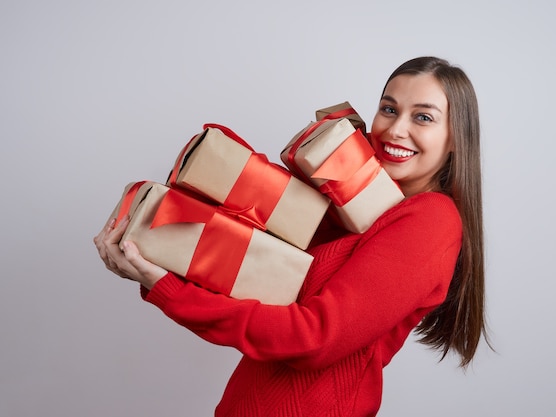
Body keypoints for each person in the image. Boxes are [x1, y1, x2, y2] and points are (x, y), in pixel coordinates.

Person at [94, 56, 489, 416]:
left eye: (423, 117)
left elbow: (313, 337)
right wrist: (151, 261)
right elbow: (251, 285)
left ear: (456, 137)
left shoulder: (432, 219)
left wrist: (170, 291)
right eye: (389, 109)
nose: (395, 129)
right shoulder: (357, 205)